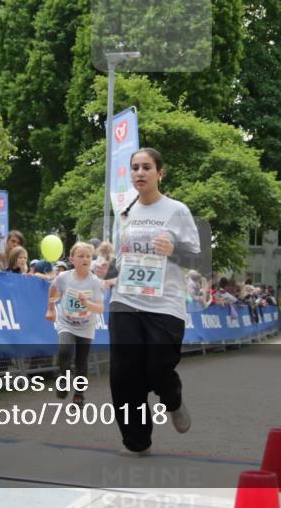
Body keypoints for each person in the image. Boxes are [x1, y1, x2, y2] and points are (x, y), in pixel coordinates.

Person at [97, 147, 200, 456]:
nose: (139, 173)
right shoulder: (125, 213)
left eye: (146, 167)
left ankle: (172, 398)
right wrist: (107, 269)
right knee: (124, 373)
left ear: (160, 173)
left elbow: (197, 256)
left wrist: (174, 249)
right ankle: (137, 440)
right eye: (135, 168)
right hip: (126, 300)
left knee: (157, 367)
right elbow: (118, 257)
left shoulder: (176, 210)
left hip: (164, 303)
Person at [45, 242, 105, 406]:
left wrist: (87, 303)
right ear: (72, 259)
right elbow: (52, 288)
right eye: (81, 256)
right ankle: (63, 380)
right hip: (66, 322)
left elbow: (100, 308)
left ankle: (79, 393)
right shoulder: (64, 277)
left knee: (81, 361)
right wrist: (50, 309)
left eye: (88, 256)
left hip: (86, 325)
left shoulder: (94, 282)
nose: (85, 259)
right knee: (64, 350)